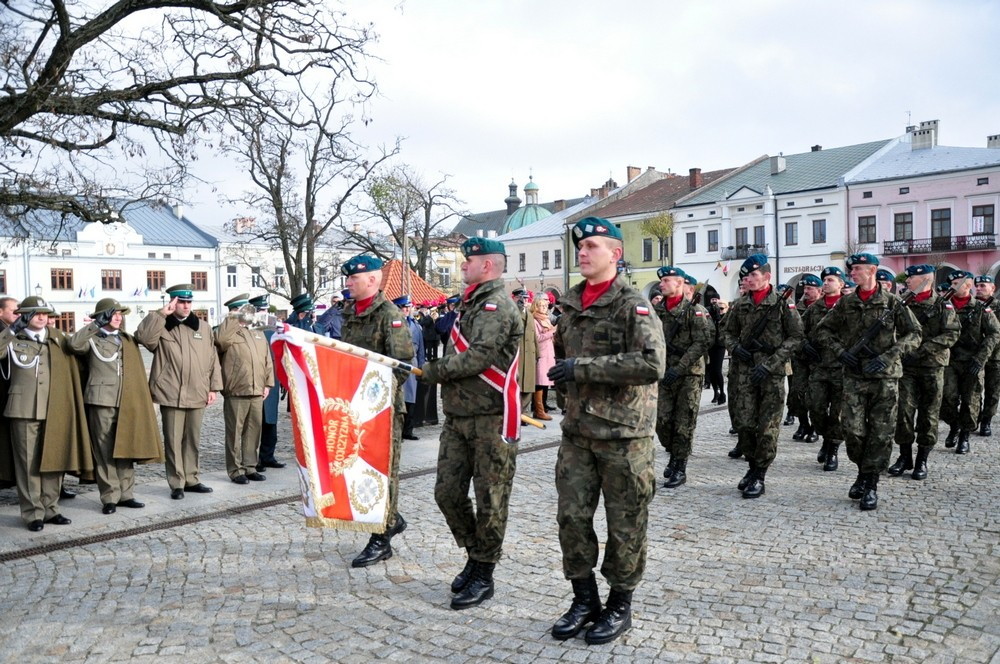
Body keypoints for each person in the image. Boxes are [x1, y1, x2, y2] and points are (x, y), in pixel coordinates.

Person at [547, 217, 665, 645]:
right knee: (572, 519)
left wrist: (582, 369)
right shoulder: (571, 303)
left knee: (626, 524)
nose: (582, 252)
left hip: (623, 436)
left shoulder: (632, 304)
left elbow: (652, 364)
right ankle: (584, 599)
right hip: (578, 432)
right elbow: (562, 353)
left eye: (592, 246)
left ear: (614, 254)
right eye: (579, 246)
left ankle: (620, 604)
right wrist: (566, 380)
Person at [418, 237, 523, 610]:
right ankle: (476, 553)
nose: (463, 265)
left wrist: (432, 371)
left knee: (490, 499)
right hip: (459, 416)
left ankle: (484, 571)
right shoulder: (470, 303)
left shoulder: (496, 306)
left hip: (491, 417)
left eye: (470, 260)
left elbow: (478, 357)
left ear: (489, 266)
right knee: (447, 493)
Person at [813, 253, 921, 510]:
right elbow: (822, 330)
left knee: (881, 433)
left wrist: (889, 356)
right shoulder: (846, 303)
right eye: (851, 269)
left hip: (885, 377)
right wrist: (841, 352)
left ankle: (870, 482)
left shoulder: (892, 303)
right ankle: (863, 470)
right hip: (855, 375)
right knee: (853, 431)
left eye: (858, 268)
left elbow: (915, 333)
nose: (852, 272)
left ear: (872, 270)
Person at [339, 254, 415, 568]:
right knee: (361, 469)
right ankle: (390, 518)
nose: (347, 284)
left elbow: (402, 366)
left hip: (382, 409)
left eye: (352, 279)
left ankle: (381, 537)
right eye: (347, 279)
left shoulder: (388, 314)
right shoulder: (350, 313)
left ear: (372, 280)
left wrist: (371, 396)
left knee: (383, 472)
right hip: (356, 408)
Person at [0, 296, 93, 530]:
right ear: (24, 316)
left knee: (53, 460)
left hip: (55, 408)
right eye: (35, 313)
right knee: (28, 464)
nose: (42, 317)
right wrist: (11, 330)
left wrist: (93, 324)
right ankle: (33, 514)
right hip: (23, 410)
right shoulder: (13, 338)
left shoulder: (58, 338)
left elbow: (78, 348)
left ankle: (51, 509)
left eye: (45, 313)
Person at [69, 298, 162, 514]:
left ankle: (126, 494)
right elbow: (73, 345)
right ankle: (110, 496)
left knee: (125, 448)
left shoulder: (126, 340)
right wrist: (94, 325)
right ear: (102, 316)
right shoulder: (91, 338)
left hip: (126, 400)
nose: (119, 317)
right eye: (114, 313)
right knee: (104, 450)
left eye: (121, 313)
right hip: (101, 400)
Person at [724, 254, 803, 498]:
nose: (748, 280)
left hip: (771, 374)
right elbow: (725, 333)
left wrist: (771, 363)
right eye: (745, 276)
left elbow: (796, 337)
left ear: (767, 276)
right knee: (745, 424)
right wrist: (735, 348)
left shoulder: (782, 304)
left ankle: (759, 473)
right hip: (745, 372)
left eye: (753, 275)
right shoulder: (740, 305)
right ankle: (751, 465)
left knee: (767, 427)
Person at [135, 283, 222, 499]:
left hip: (197, 391)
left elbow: (213, 359)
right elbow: (143, 338)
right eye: (180, 301)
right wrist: (160, 314)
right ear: (172, 303)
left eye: (188, 301)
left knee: (192, 439)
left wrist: (213, 387)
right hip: (170, 392)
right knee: (173, 440)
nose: (185, 305)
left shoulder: (203, 327)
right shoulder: (161, 325)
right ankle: (177, 483)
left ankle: (191, 478)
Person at [887, 265, 960, 480]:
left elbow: (951, 334)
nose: (907, 280)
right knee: (904, 411)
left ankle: (922, 460)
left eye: (912, 277)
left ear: (925, 279)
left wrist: (919, 350)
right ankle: (905, 456)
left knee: (929, 414)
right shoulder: (903, 303)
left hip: (932, 366)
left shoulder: (942, 305)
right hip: (906, 368)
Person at [653, 266, 712, 489]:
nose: (662, 284)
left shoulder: (694, 310)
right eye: (661, 281)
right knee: (662, 421)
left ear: (679, 283)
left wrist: (679, 368)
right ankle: (674, 453)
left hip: (689, 373)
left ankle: (679, 465)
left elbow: (702, 342)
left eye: (667, 280)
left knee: (684, 421)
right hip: (663, 373)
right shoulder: (657, 310)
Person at [215, 293, 274, 485]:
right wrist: (232, 318)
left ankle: (250, 466)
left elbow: (267, 360)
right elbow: (220, 341)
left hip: (257, 389)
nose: (245, 313)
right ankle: (235, 469)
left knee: (253, 430)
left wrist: (268, 383)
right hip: (236, 389)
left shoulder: (256, 332)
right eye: (240, 310)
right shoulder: (228, 332)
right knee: (234, 433)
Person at [940, 270, 1000, 454]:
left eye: (958, 282)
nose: (954, 286)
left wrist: (981, 358)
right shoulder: (943, 306)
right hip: (948, 360)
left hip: (972, 361)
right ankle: (954, 426)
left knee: (970, 400)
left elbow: (994, 333)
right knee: (947, 399)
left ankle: (965, 435)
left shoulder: (981, 308)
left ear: (967, 285)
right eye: (952, 283)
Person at [803, 267, 847, 471]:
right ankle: (825, 439)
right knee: (817, 410)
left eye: (831, 279)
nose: (826, 283)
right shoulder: (814, 309)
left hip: (842, 368)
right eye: (824, 280)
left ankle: (833, 450)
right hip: (819, 366)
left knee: (837, 413)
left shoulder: (849, 307)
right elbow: (798, 330)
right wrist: (805, 345)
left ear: (841, 284)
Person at [249, 294, 286, 472]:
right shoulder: (248, 329)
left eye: (265, 310)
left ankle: (268, 455)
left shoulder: (274, 329)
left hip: (273, 378)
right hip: (255, 377)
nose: (263, 314)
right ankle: (252, 458)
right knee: (255, 420)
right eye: (260, 311)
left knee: (271, 419)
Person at [789, 274, 821, 442]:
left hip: (818, 359)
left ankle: (815, 428)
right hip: (801, 357)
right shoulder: (797, 308)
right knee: (798, 393)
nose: (806, 291)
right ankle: (803, 424)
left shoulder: (824, 308)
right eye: (805, 288)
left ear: (819, 290)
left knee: (815, 396)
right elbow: (793, 331)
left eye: (810, 288)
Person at [393, 295, 425, 441]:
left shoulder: (415, 325)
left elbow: (421, 347)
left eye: (408, 307)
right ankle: (397, 431)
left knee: (411, 398)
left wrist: (421, 364)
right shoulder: (394, 323)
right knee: (398, 398)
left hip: (412, 363)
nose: (407, 310)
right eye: (404, 307)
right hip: (397, 363)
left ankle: (408, 430)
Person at [974, 275, 1000, 436]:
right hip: (975, 356)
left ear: (993, 289)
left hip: (995, 356)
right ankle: (974, 417)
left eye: (983, 286)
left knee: (993, 390)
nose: (978, 288)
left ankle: (986, 421)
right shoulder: (973, 307)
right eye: (976, 286)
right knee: (975, 390)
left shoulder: (998, 307)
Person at [510, 289, 538, 415]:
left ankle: (524, 413)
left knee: (528, 385)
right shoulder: (511, 313)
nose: (524, 301)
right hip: (518, 353)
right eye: (521, 298)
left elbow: (533, 336)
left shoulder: (530, 314)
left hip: (529, 354)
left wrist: (537, 353)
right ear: (515, 298)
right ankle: (516, 412)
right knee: (517, 384)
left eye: (526, 298)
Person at [531, 294, 556, 420]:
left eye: (545, 306)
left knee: (545, 382)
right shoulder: (535, 320)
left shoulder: (546, 319)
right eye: (541, 305)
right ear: (536, 306)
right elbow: (537, 338)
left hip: (548, 354)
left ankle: (542, 408)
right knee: (539, 383)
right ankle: (538, 410)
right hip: (541, 354)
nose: (544, 308)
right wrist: (552, 332)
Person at [416, 301, 441, 426]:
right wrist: (428, 317)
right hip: (427, 337)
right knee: (429, 353)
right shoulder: (422, 316)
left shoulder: (433, 315)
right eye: (425, 308)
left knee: (433, 353)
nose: (427, 310)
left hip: (433, 337)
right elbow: (422, 323)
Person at [704, 286, 726, 405]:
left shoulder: (722, 310)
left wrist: (719, 314)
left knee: (717, 370)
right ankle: (715, 392)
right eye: (712, 299)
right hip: (710, 344)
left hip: (720, 345)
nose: (714, 302)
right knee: (711, 371)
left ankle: (722, 392)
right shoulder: (708, 311)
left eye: (715, 300)